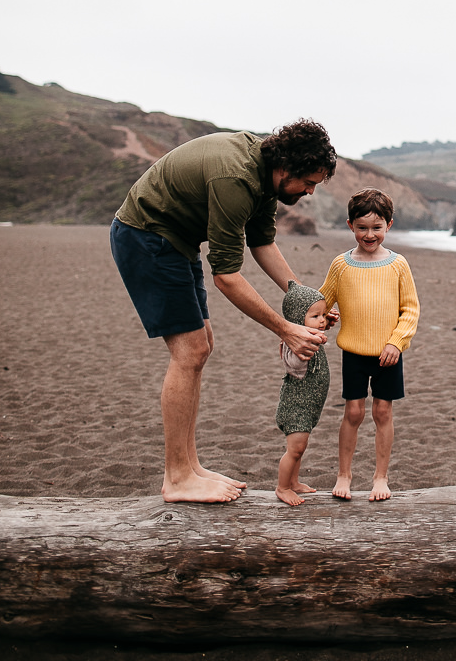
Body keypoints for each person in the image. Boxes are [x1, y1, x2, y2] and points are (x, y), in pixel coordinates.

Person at [110, 119, 337, 504]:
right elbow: (227, 276)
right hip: (146, 236)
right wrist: (285, 329)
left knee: (202, 346)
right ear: (286, 169)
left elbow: (262, 243)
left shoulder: (266, 179)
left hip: (175, 240)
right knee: (189, 351)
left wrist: (307, 302)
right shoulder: (236, 179)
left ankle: (190, 466)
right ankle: (177, 477)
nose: (311, 191)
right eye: (308, 182)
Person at [320, 188, 420, 502]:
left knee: (382, 413)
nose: (369, 234)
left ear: (389, 225)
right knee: (353, 412)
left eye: (377, 227)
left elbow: (411, 309)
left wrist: (397, 342)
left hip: (389, 355)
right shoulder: (341, 264)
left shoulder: (398, 264)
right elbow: (322, 302)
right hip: (353, 352)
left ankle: (380, 477)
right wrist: (326, 316)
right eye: (362, 227)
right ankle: (344, 475)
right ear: (350, 225)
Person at [275, 282, 332, 507]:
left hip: (308, 406)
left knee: (300, 449)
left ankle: (294, 481)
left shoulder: (311, 334)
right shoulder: (297, 345)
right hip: (296, 406)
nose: (322, 320)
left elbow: (319, 327)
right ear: (298, 321)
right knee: (295, 449)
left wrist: (321, 328)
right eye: (315, 316)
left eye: (324, 315)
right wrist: (316, 338)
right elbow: (295, 367)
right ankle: (283, 487)